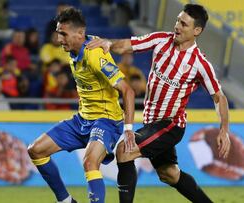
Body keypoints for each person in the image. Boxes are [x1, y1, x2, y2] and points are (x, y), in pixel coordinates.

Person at [87, 4, 231, 203]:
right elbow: (126, 45)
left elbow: (219, 97)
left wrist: (224, 130)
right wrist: (108, 43)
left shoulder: (200, 64)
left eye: (184, 24)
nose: (177, 27)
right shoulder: (161, 40)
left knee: (125, 150)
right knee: (169, 174)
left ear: (197, 31)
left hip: (170, 124)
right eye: (178, 21)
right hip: (151, 123)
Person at [27, 7, 136, 203]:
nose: (59, 39)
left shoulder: (94, 55)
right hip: (83, 119)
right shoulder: (73, 50)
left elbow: (128, 90)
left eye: (63, 34)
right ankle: (66, 201)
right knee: (35, 150)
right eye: (58, 33)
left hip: (106, 120)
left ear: (80, 33)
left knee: (89, 161)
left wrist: (128, 128)